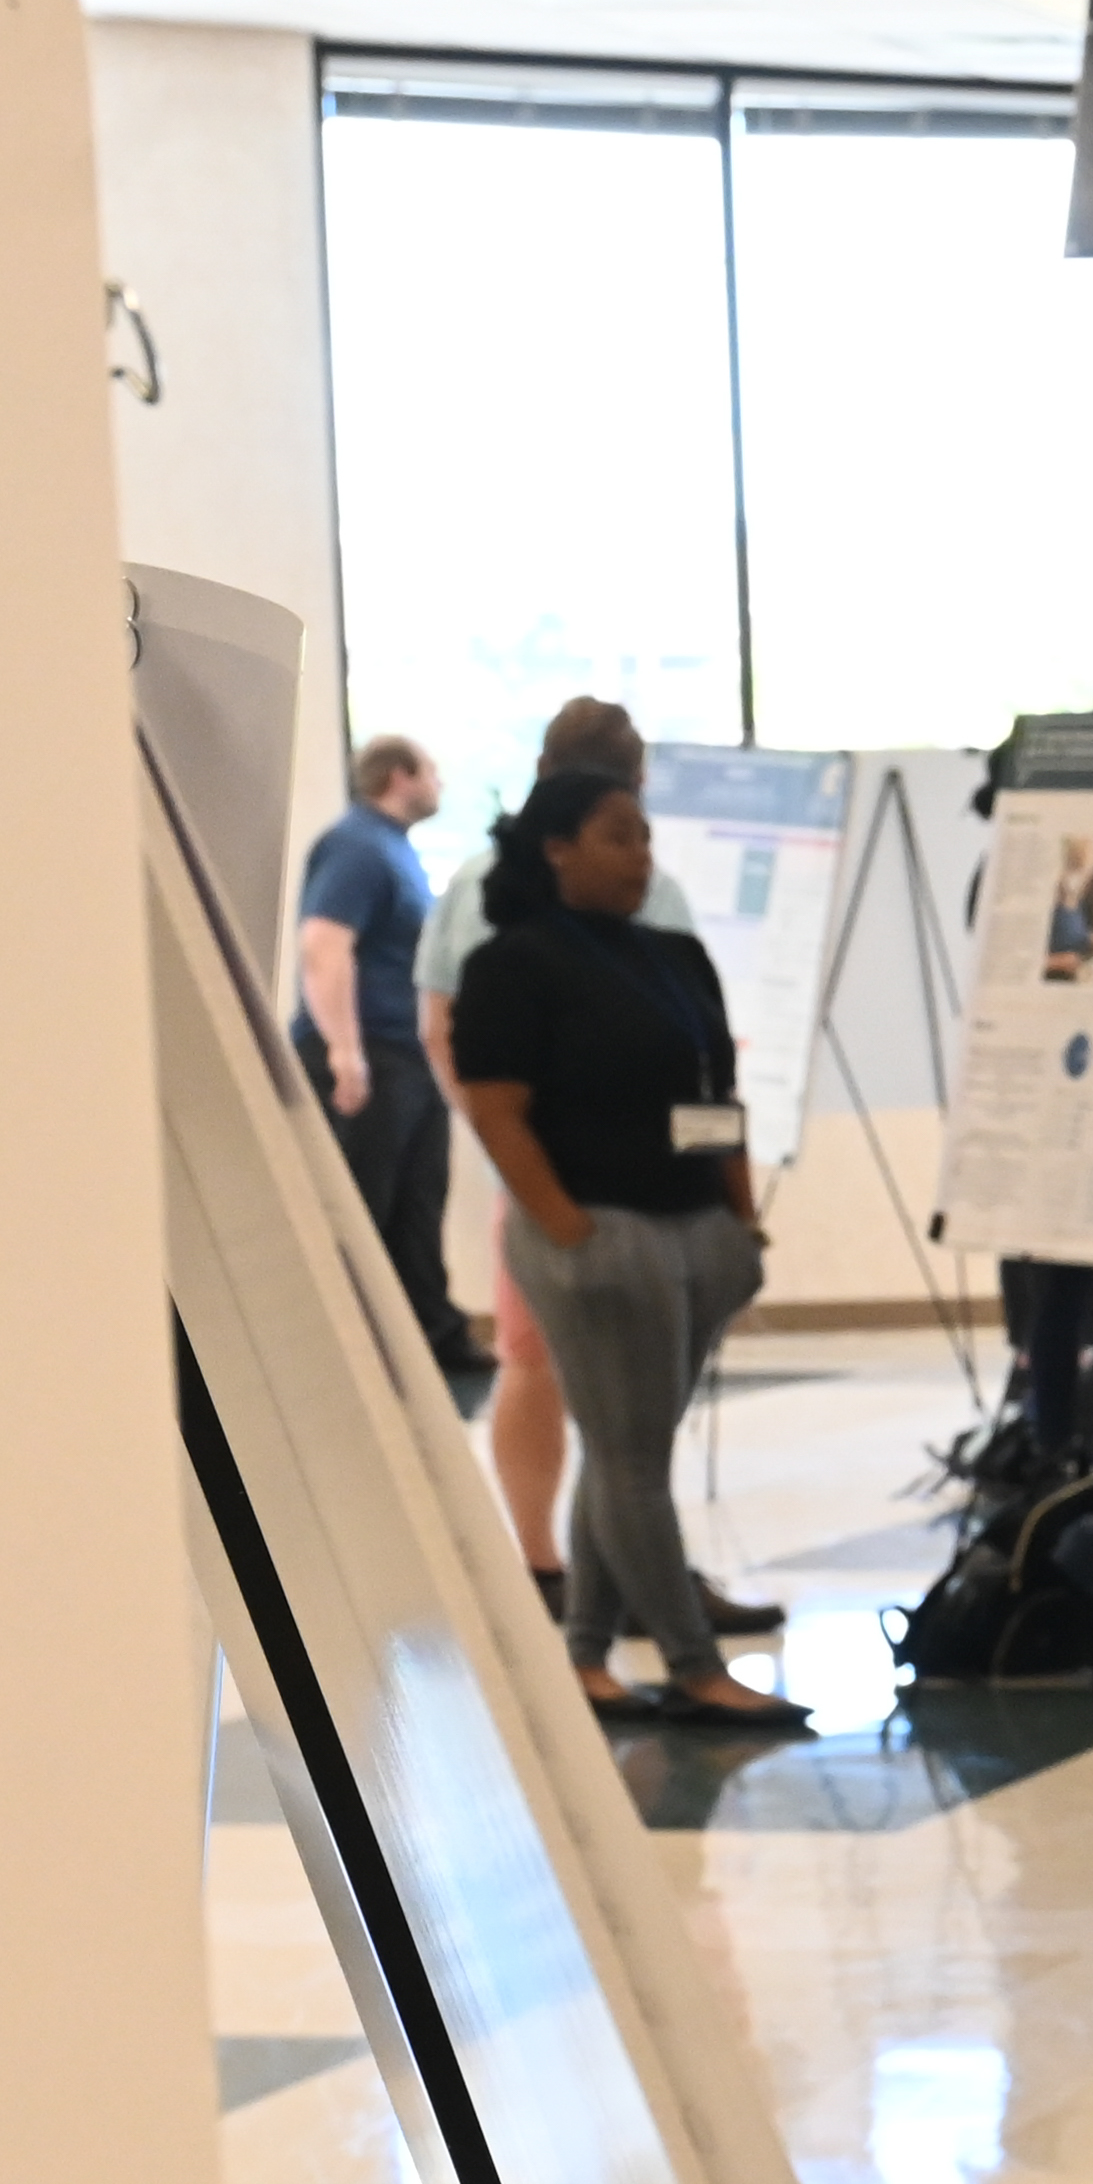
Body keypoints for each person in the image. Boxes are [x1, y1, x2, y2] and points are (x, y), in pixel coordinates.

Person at [446, 707, 808, 1734]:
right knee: (631, 1453)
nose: (639, 854)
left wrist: (741, 1226)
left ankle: (586, 1656)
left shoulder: (671, 959)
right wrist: (567, 1228)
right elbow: (496, 1108)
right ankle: (694, 1666)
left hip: (693, 1231)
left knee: (626, 1451)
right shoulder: (511, 964)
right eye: (618, 836)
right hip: (600, 1237)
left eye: (644, 835)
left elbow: (718, 1100)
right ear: (556, 847)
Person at [297, 734, 477, 1389]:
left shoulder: (393, 849)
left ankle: (429, 1335)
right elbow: (323, 946)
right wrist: (346, 1051)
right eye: (431, 771)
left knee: (417, 1203)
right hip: (368, 1054)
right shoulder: (356, 845)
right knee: (366, 1206)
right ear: (400, 776)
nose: (439, 784)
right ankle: (351, 1356)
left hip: (407, 1056)